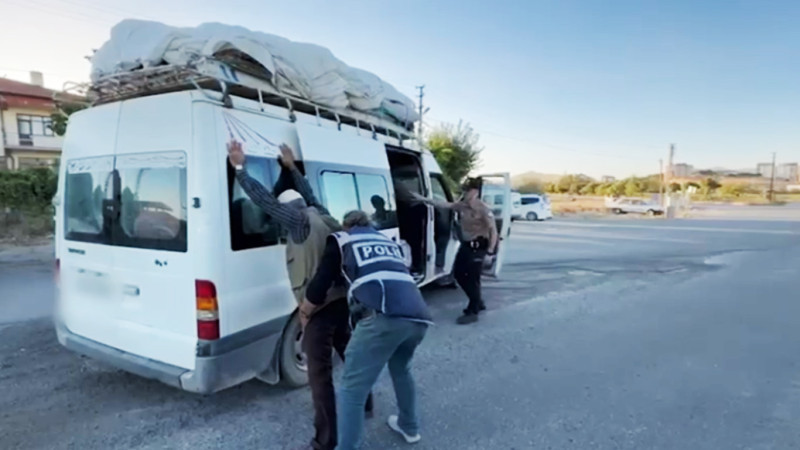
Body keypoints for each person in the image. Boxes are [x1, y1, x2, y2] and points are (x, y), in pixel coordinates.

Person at [227, 140, 370, 450]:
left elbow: (265, 201)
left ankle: (326, 441)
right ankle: (366, 401)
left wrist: (240, 168)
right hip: (341, 301)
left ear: (289, 211)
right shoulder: (323, 215)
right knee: (349, 352)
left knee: (319, 376)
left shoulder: (297, 221)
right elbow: (310, 195)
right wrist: (291, 168)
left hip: (317, 306)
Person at [305, 210, 433, 450]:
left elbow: (318, 287)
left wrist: (304, 312)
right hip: (418, 315)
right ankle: (409, 426)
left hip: (382, 317)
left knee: (352, 390)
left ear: (346, 226)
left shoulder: (342, 240)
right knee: (401, 369)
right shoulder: (387, 241)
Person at [413, 178, 497, 324]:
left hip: (478, 247)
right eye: (464, 190)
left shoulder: (483, 209)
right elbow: (444, 204)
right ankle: (478, 301)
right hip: (466, 245)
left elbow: (493, 231)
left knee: (471, 277)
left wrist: (490, 252)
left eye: (468, 190)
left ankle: (473, 310)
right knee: (459, 274)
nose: (465, 193)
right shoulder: (462, 206)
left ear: (475, 192)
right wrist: (423, 199)